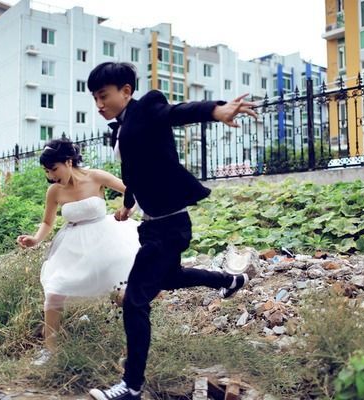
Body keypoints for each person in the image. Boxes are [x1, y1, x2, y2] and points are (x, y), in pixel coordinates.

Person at [86, 62, 258, 400]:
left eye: (103, 96)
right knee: (170, 278)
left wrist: (216, 110)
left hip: (169, 225)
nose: (99, 104)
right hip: (155, 226)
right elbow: (133, 171)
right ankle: (230, 281)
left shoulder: (148, 107)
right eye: (94, 98)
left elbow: (176, 113)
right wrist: (128, 203)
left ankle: (131, 386)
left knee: (135, 301)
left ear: (126, 91)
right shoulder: (123, 125)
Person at [16, 138, 139, 366]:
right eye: (47, 171)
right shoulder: (54, 191)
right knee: (55, 291)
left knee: (123, 294)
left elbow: (132, 190)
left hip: (107, 241)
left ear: (68, 161)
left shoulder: (96, 176)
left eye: (54, 169)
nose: (51, 176)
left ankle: (132, 350)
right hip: (72, 246)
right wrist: (35, 239)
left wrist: (127, 209)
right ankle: (50, 351)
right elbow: (47, 222)